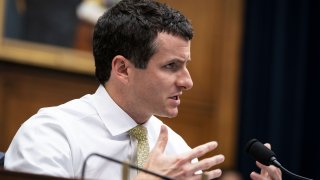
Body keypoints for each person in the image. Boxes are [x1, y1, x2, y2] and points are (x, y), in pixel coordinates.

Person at [4, 0, 282, 179]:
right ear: (122, 69)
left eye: (186, 65)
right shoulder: (52, 133)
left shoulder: (178, 151)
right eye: (171, 66)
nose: (187, 81)